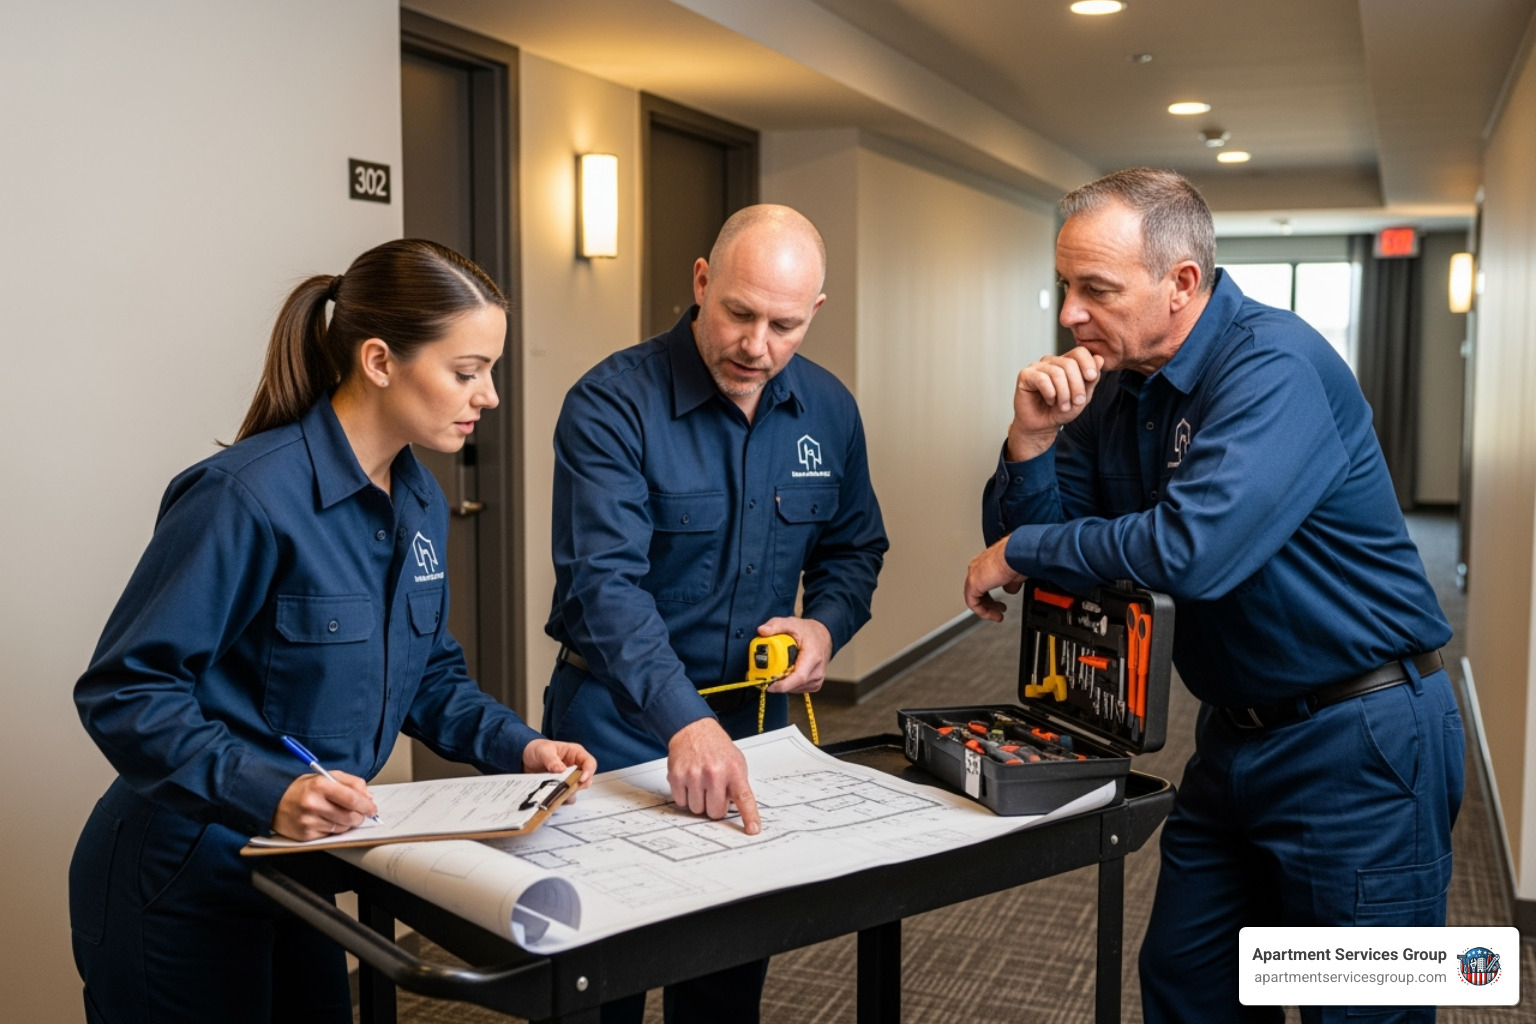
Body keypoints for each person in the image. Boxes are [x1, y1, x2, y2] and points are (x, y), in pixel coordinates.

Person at [962, 168, 1462, 1024]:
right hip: (1234, 737)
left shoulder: (1274, 366)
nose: (1070, 313)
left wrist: (1023, 546)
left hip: (1362, 741)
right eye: (1065, 287)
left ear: (1181, 282)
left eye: (1096, 289)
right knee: (1191, 986)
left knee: (1360, 1011)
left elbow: (1193, 553)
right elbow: (1053, 560)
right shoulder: (1115, 385)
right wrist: (1032, 440)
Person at [70, 239, 596, 1024]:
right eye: (467, 370)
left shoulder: (416, 502)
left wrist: (518, 746)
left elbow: (426, 674)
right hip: (181, 874)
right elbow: (125, 690)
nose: (488, 395)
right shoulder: (244, 497)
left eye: (490, 370)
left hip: (301, 864)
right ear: (380, 360)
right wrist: (270, 792)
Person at [544, 203, 887, 1022]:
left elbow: (855, 550)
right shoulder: (611, 404)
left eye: (784, 325)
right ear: (701, 282)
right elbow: (606, 586)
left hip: (758, 727)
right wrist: (681, 718)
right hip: (618, 722)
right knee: (602, 978)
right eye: (739, 313)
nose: (757, 346)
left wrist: (824, 624)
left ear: (815, 315)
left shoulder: (830, 411)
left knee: (724, 973)